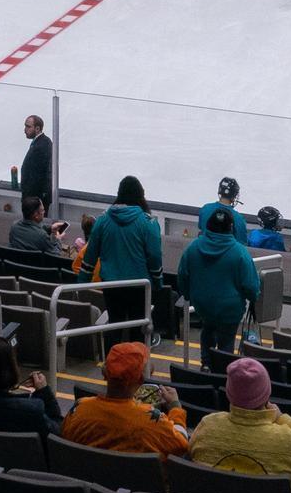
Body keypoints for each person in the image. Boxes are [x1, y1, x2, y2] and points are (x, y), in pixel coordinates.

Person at [187, 358, 291, 486]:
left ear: (229, 393)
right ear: (267, 396)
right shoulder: (286, 439)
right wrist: (281, 418)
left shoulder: (207, 425)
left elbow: (191, 450)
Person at [61, 342, 188, 456]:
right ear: (141, 380)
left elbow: (65, 436)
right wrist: (175, 407)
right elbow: (181, 445)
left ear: (104, 374)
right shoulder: (153, 421)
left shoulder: (78, 409)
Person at [82, 176, 165, 346]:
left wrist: (81, 284)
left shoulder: (103, 221)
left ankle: (112, 366)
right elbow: (155, 257)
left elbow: (90, 256)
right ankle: (136, 368)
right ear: (141, 196)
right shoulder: (148, 223)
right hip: (139, 285)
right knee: (138, 329)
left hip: (111, 285)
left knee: (115, 324)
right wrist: (158, 282)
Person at [176, 208, 261, 369]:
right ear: (231, 228)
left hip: (203, 306)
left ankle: (206, 365)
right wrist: (254, 296)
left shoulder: (193, 248)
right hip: (229, 309)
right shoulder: (240, 252)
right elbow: (251, 286)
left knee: (207, 330)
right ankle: (222, 371)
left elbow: (182, 276)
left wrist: (188, 295)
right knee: (227, 339)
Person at [16, 114, 53, 211]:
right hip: (34, 198)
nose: (25, 130)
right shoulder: (40, 142)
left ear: (37, 128)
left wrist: (31, 198)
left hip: (35, 200)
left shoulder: (42, 145)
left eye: (28, 127)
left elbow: (40, 174)